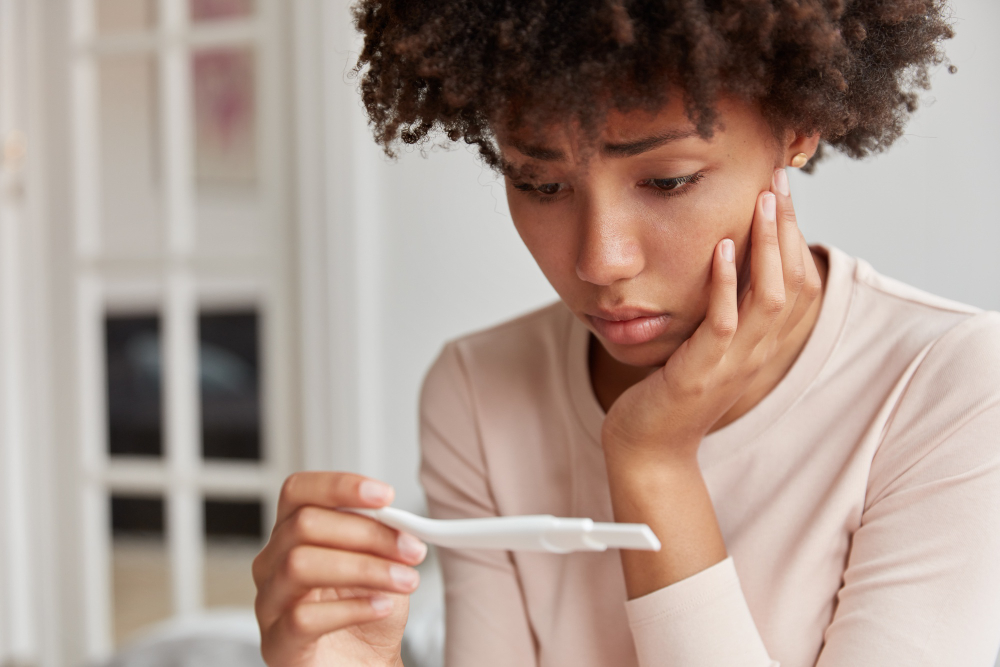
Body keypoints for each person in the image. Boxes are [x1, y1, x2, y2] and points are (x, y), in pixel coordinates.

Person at [252, 1, 1000, 665]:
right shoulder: (480, 391)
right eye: (541, 185)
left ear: (795, 128)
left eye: (667, 180)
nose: (600, 260)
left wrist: (653, 463)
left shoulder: (950, 388)